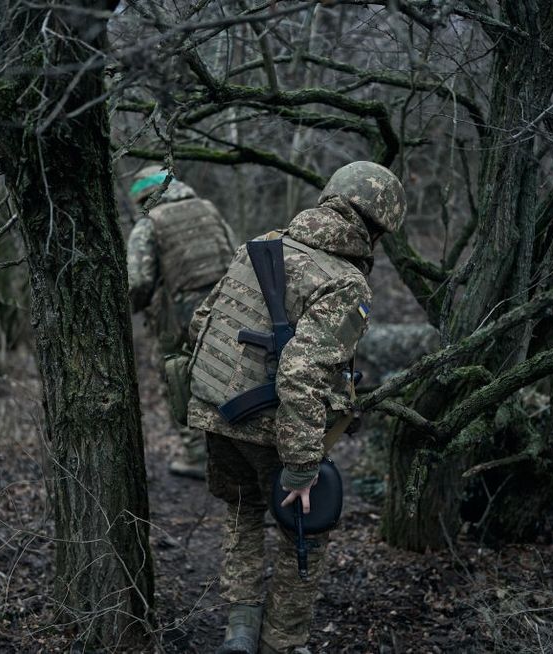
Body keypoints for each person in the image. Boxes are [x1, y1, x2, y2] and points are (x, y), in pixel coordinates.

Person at [187, 161, 406, 654]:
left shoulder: (259, 246)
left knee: (242, 512)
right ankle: (283, 642)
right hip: (274, 426)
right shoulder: (346, 283)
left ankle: (239, 630)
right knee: (303, 529)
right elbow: (300, 373)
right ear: (377, 226)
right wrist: (303, 466)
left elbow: (201, 323)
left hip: (217, 413)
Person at [126, 165, 236, 479]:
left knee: (177, 379)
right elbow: (236, 251)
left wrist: (134, 308)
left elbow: (138, 280)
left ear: (146, 195)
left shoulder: (150, 223)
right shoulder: (208, 209)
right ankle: (236, 454)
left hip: (182, 315)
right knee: (231, 377)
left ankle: (197, 456)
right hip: (231, 306)